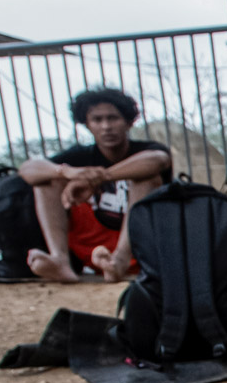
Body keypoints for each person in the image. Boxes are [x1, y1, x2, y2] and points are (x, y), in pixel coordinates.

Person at [19, 86, 170, 283]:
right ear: (87, 124)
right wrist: (66, 172)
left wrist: (98, 178)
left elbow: (158, 160)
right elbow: (27, 170)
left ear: (128, 122)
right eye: (97, 120)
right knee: (46, 181)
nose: (106, 126)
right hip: (91, 243)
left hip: (142, 245)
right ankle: (60, 260)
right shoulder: (80, 156)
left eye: (113, 118)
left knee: (147, 178)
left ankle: (119, 261)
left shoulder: (146, 150)